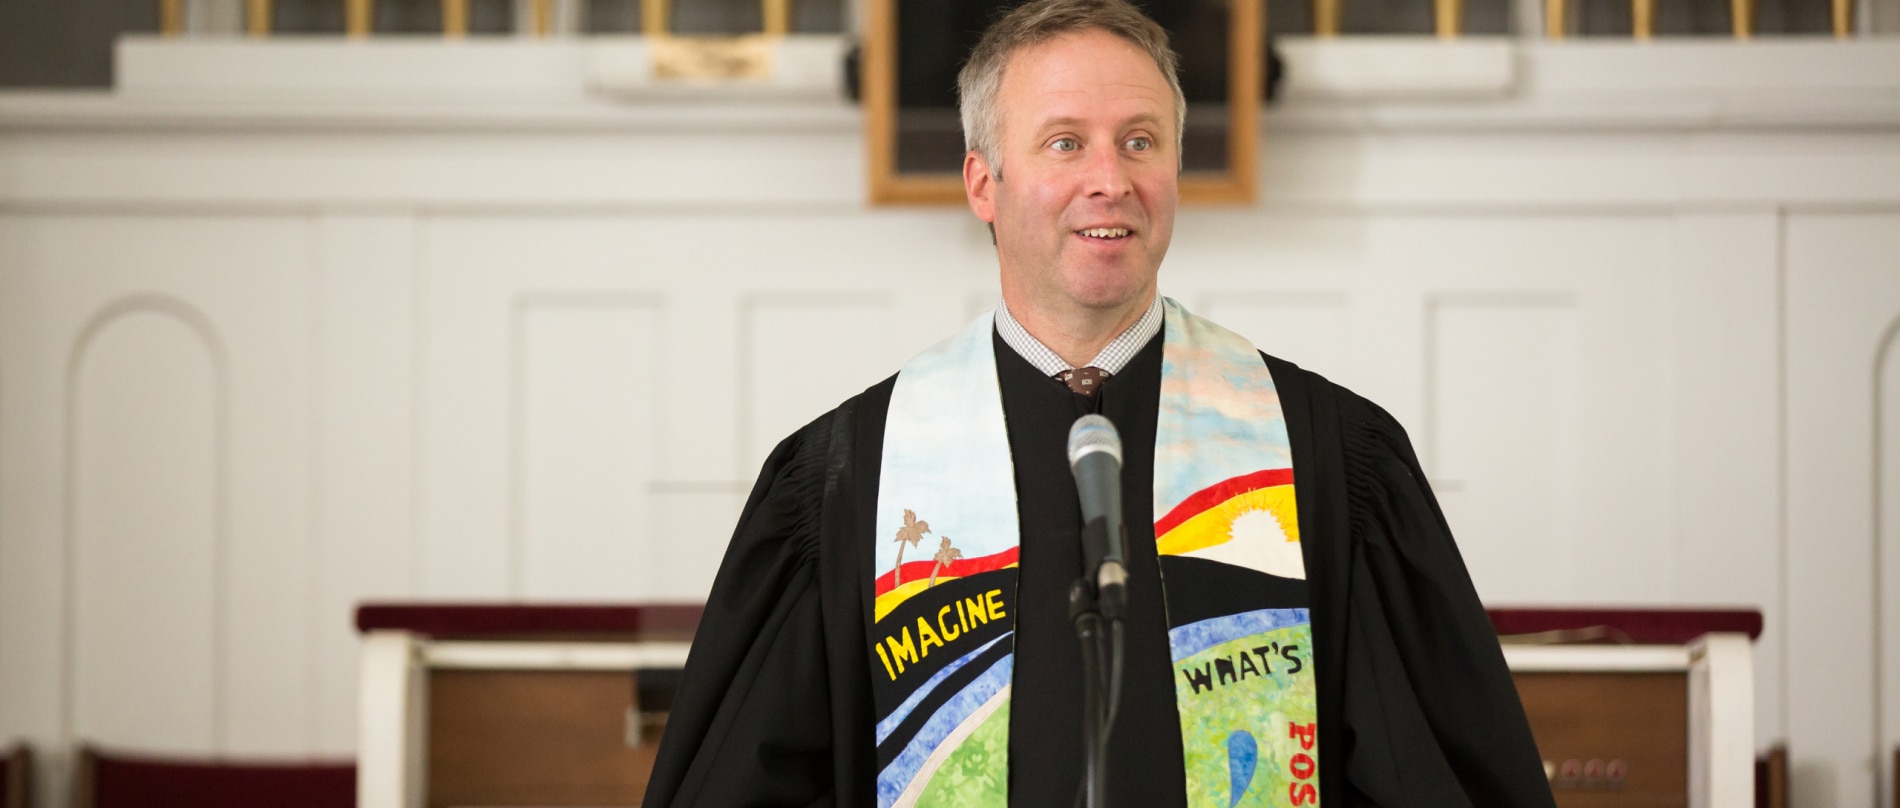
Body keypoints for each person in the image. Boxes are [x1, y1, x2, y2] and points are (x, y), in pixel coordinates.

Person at [642, 1, 1554, 806]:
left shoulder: (1322, 452)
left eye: (1141, 140)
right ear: (982, 184)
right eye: (1064, 141)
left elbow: (1430, 773)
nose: (1109, 178)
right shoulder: (855, 474)